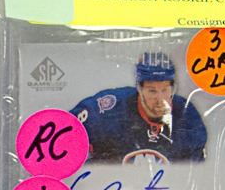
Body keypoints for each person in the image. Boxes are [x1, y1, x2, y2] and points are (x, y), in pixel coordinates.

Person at [69, 52, 207, 164]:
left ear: (173, 89)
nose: (160, 100)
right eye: (152, 91)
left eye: (165, 90)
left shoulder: (188, 117)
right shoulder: (107, 111)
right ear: (139, 89)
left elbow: (194, 177)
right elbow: (63, 132)